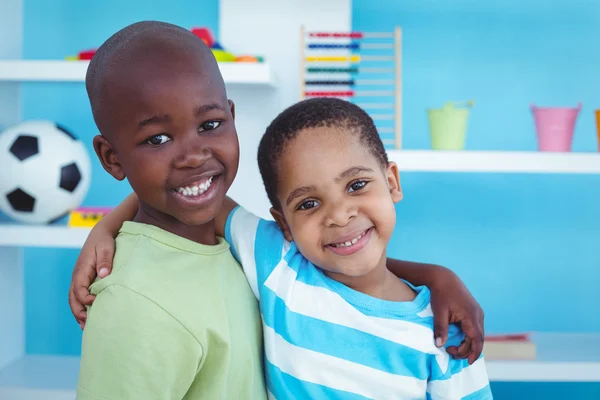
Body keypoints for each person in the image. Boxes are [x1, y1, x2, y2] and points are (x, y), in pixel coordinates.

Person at [71, 20, 486, 399]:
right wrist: (106, 227)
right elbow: (178, 197)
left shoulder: (446, 335)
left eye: (357, 185)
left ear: (392, 182)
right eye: (308, 203)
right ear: (283, 223)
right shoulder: (276, 267)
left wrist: (437, 276)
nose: (340, 216)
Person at [75, 21, 265, 399]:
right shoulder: (134, 303)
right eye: (157, 139)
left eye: (210, 124)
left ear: (231, 116)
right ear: (112, 159)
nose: (194, 155)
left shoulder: (238, 239)